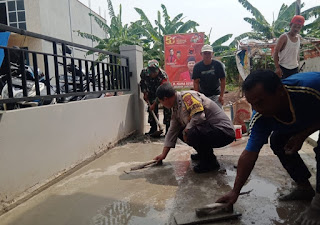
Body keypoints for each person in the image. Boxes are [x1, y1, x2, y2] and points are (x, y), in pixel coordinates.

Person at [216, 70, 320, 225]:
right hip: (303, 119)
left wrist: (303, 135)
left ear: (280, 92)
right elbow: (249, 154)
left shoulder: (311, 88)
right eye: (253, 104)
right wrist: (235, 191)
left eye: (260, 102)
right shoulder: (260, 118)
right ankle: (304, 187)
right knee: (278, 141)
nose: (256, 109)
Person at [153, 82, 235, 173]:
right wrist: (163, 155)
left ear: (165, 99)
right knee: (180, 131)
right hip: (211, 131)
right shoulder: (176, 108)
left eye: (161, 102)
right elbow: (172, 131)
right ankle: (203, 154)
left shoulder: (188, 97)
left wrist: (186, 130)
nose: (162, 105)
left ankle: (210, 162)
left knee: (190, 132)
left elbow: (199, 116)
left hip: (223, 132)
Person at [140, 59, 171, 135]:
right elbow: (142, 83)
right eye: (151, 72)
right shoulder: (144, 72)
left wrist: (155, 103)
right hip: (151, 91)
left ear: (157, 70)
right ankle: (153, 128)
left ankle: (168, 130)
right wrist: (145, 93)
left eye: (154, 72)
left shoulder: (163, 76)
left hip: (164, 93)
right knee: (151, 110)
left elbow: (163, 91)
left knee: (167, 109)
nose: (152, 74)